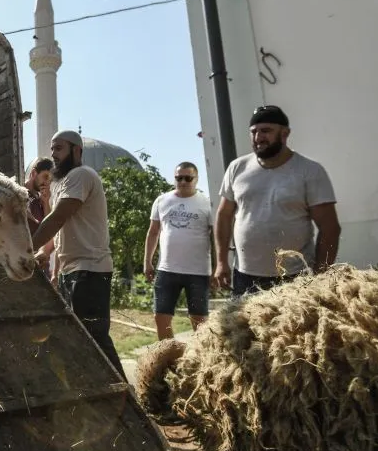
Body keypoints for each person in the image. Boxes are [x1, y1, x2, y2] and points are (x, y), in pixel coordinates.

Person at [214, 105, 341, 297]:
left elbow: (330, 228)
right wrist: (221, 262)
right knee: (244, 328)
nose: (258, 138)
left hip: (294, 277)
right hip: (245, 276)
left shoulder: (309, 171)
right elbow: (224, 216)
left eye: (266, 131)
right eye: (253, 132)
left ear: (285, 133)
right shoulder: (237, 168)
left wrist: (320, 274)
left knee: (295, 328)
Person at [32, 130, 126, 379]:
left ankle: (126, 397)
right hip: (70, 271)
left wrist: (27, 246)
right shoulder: (59, 183)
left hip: (90, 270)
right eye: (52, 149)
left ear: (77, 150)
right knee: (76, 336)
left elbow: (58, 217)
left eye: (59, 148)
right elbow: (59, 231)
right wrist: (43, 251)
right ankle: (95, 391)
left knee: (94, 336)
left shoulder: (81, 175)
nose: (54, 154)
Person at [144, 162, 214, 339]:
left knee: (199, 321)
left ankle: (199, 360)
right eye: (179, 178)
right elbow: (153, 232)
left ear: (196, 179)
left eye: (188, 178)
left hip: (198, 271)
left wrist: (217, 267)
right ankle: (169, 358)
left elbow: (215, 237)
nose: (183, 181)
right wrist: (147, 262)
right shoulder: (162, 201)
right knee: (161, 317)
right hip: (167, 270)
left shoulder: (207, 204)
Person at [24, 157, 54, 277]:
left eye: (50, 180)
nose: (47, 183)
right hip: (25, 262)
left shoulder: (41, 198)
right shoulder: (19, 191)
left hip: (42, 266)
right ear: (33, 173)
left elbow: (50, 228)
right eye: (45, 177)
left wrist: (46, 202)